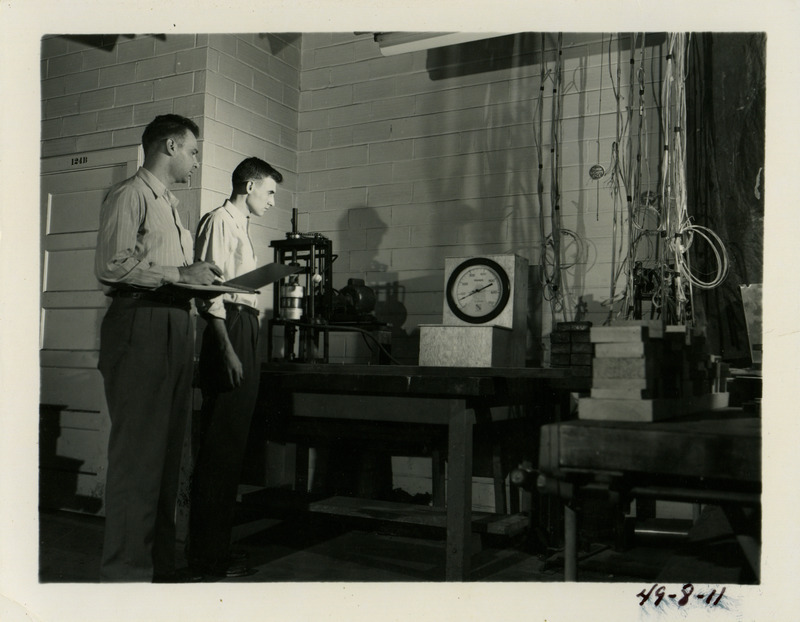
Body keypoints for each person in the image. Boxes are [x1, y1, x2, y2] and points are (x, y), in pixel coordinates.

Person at [95, 114, 221, 582]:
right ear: (170, 145)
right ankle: (126, 580)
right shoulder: (131, 194)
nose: (196, 159)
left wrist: (198, 273)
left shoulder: (169, 204)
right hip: (140, 322)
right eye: (192, 150)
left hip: (173, 321)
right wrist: (180, 276)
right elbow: (112, 265)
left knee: (168, 462)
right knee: (139, 462)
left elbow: (167, 267)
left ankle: (158, 572)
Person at [187, 157, 282, 579]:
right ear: (248, 186)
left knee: (232, 446)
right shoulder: (220, 221)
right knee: (220, 447)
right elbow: (209, 292)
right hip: (228, 330)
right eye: (270, 192)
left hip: (246, 325)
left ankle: (216, 551)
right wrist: (226, 348)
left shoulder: (241, 225)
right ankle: (206, 558)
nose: (273, 201)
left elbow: (236, 283)